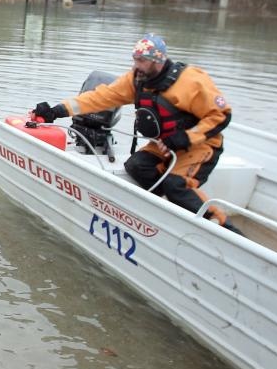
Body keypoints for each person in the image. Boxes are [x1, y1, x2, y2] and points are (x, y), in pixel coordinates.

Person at [33, 34, 234, 227]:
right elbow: (98, 98)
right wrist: (57, 110)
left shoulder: (191, 81)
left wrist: (186, 138)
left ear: (158, 61)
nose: (137, 65)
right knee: (137, 166)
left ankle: (220, 224)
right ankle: (165, 210)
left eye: (143, 61)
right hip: (164, 144)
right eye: (135, 59)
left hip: (200, 145)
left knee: (176, 184)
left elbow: (221, 115)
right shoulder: (136, 80)